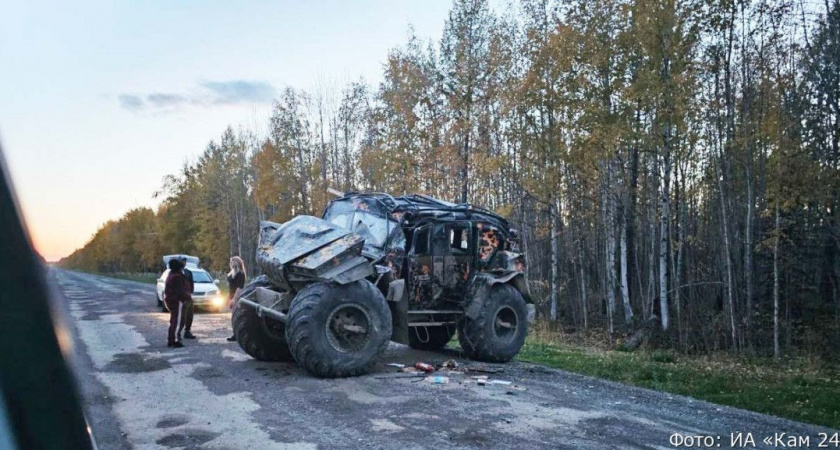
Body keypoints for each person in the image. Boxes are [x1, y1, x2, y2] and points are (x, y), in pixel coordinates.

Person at [164, 258, 192, 348]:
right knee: (177, 321)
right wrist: (187, 297)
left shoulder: (171, 275)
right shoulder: (177, 277)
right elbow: (180, 291)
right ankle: (175, 340)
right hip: (176, 301)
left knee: (174, 320)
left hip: (171, 300)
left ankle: (171, 339)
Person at [225, 256, 247, 342]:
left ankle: (236, 334)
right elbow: (231, 287)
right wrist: (228, 297)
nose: (230, 263)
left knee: (236, 316)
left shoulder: (240, 274)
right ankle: (235, 333)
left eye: (231, 262)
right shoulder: (233, 273)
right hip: (231, 295)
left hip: (236, 296)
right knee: (233, 315)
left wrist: (234, 298)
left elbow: (239, 287)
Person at [178, 256, 196, 340]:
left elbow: (191, 283)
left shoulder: (188, 272)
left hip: (188, 296)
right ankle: (178, 332)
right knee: (181, 315)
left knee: (189, 314)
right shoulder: (175, 272)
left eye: (185, 261)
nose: (184, 263)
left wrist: (191, 293)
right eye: (182, 261)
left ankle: (187, 331)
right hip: (180, 297)